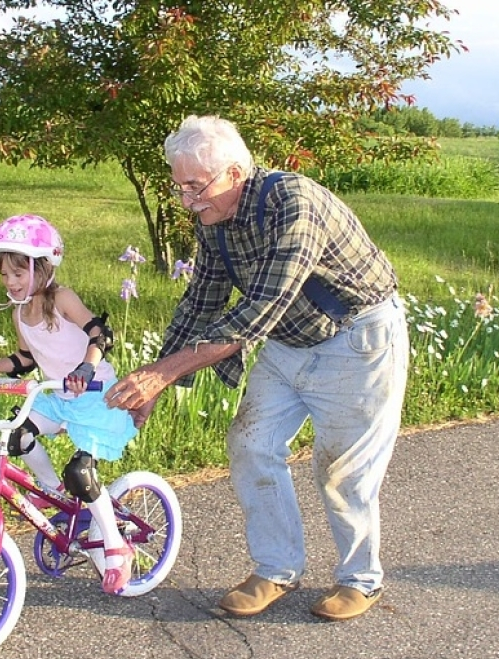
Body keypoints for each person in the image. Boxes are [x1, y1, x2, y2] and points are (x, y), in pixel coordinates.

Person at [104, 115, 409, 621]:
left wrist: (165, 373)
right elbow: (201, 301)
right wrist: (156, 380)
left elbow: (260, 309)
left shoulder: (294, 203)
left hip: (357, 340)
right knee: (251, 443)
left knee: (342, 472)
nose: (186, 200)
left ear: (235, 173)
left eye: (195, 186)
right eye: (179, 187)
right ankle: (276, 569)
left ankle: (360, 579)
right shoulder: (214, 222)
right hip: (290, 342)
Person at [0, 213, 140, 595]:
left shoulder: (61, 298)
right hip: (58, 397)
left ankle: (115, 547)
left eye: (19, 273)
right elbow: (25, 360)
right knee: (17, 437)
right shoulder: (20, 313)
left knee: (82, 472)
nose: (11, 282)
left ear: (42, 267)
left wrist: (85, 367)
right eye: (5, 276)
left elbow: (100, 333)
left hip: (95, 397)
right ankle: (55, 493)